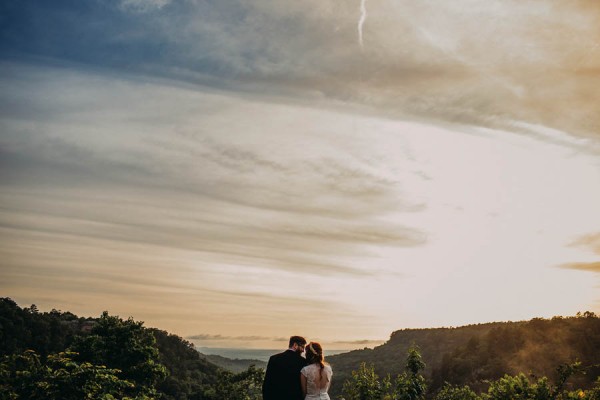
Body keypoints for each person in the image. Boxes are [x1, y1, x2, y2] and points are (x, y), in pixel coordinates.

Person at [262, 335, 308, 400]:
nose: (303, 350)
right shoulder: (302, 362)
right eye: (302, 347)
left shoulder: (274, 358)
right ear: (295, 345)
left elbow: (267, 383)